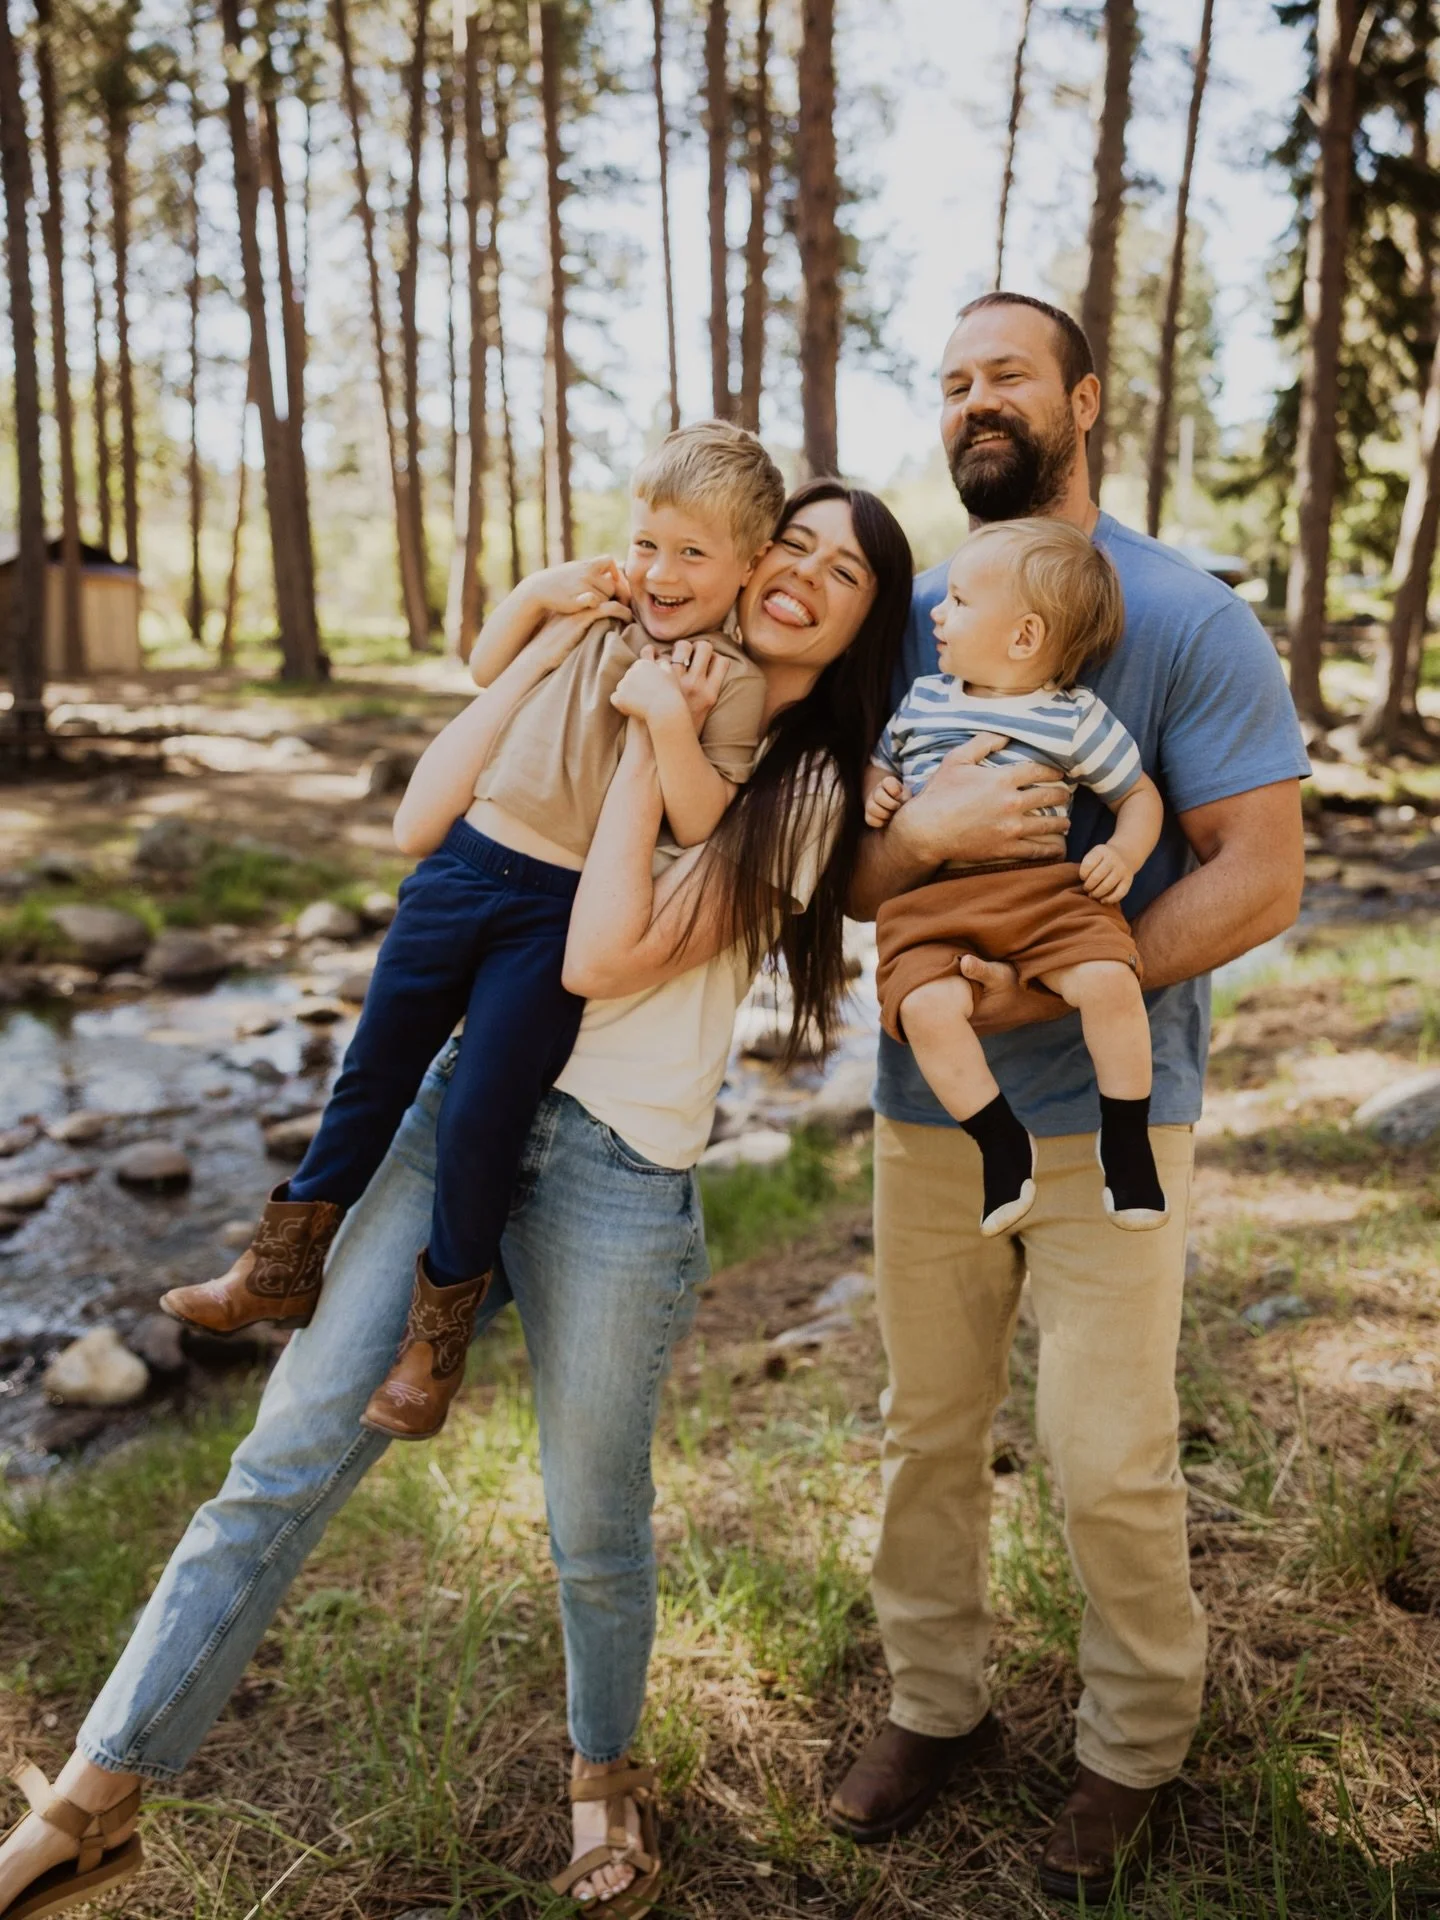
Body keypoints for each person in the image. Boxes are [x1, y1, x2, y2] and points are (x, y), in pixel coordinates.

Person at [0, 481, 929, 1920]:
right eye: (790, 546)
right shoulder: (639, 646)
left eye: (844, 571)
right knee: (282, 1457)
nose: (803, 574)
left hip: (620, 1172)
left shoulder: (802, 783)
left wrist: (653, 727)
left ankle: (604, 1776)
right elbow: (436, 813)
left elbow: (602, 960)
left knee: (592, 1518)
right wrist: (572, 644)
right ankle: (92, 1795)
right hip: (457, 1124)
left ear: (869, 621)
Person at [830, 292, 1309, 1906]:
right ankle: (932, 1707)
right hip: (924, 1098)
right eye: (951, 379)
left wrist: (1046, 980)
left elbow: (1261, 873)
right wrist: (919, 854)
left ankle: (1136, 1745)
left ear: (1082, 399)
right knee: (926, 1430)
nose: (974, 401)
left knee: (1106, 1446)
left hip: (1120, 1099)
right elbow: (843, 867)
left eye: (1007, 374)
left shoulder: (1183, 613)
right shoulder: (909, 616)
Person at [160, 421, 782, 1445]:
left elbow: (701, 818)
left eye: (692, 554)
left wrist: (670, 717)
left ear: (748, 565)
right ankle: (275, 1268)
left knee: (483, 1110)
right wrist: (542, 594)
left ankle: (433, 1340)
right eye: (648, 542)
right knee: (374, 1070)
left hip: (554, 913)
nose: (660, 571)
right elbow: (487, 664)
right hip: (461, 866)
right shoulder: (598, 606)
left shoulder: (730, 680)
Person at [865, 517, 1167, 1238]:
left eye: (960, 601)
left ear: (1025, 637)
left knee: (1110, 981)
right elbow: (881, 760)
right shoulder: (924, 699)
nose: (937, 611)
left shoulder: (1071, 718)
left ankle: (1126, 1138)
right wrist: (874, 786)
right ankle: (1000, 1140)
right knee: (925, 1010)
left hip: (1044, 897)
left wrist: (1123, 853)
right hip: (932, 904)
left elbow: (1138, 795)